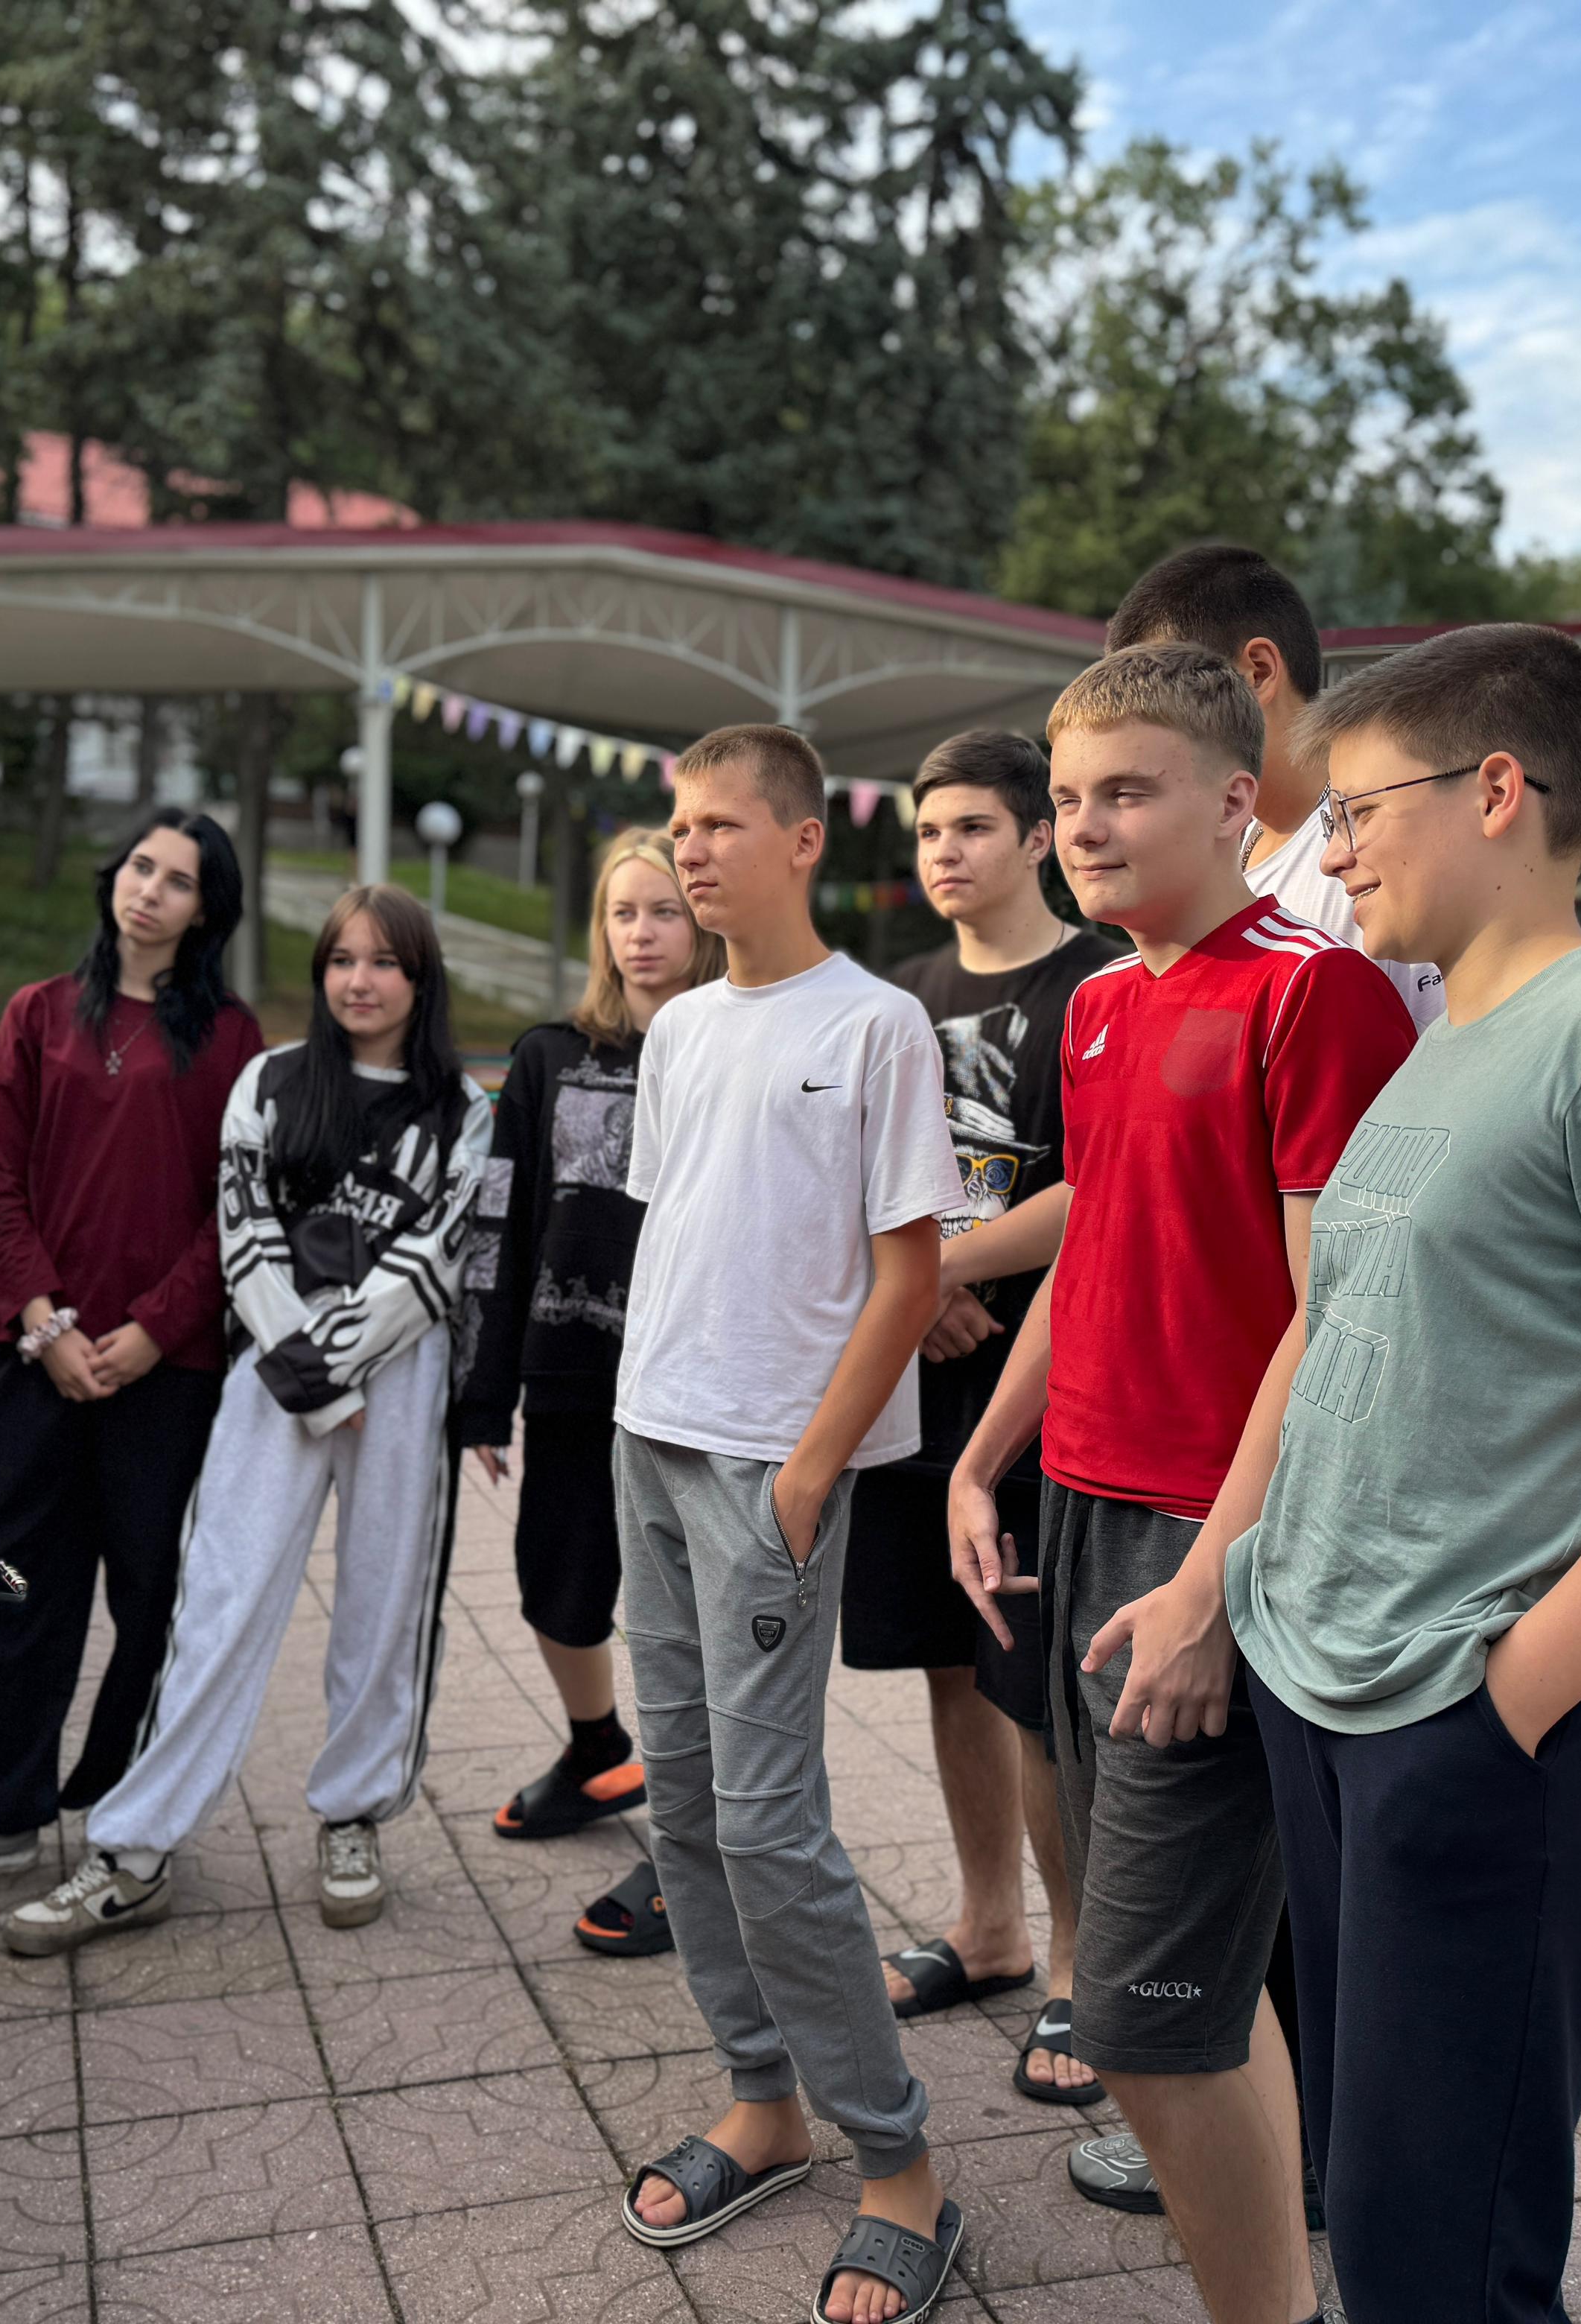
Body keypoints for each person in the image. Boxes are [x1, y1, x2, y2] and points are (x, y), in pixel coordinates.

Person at [1224, 622, 1581, 2323]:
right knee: (1376, 2208)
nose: (1331, 850)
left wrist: (1512, 1695)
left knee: (1443, 2255)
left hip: (1472, 1720)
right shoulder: (1446, 1034)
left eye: (1355, 810)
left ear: (1494, 791)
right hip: (1336, 1689)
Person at [947, 645, 1416, 2324]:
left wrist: (1217, 1578)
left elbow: (1330, 1316)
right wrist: (985, 1458)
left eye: (1126, 792)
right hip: (1078, 1510)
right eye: (1069, 797)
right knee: (1184, 1999)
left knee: (1142, 2015)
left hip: (1204, 1538)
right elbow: (1094, 1249)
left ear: (1233, 800)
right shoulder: (1096, 1003)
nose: (1084, 826)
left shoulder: (1316, 992)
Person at [612, 726, 965, 2324]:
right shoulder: (681, 1027)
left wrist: (816, 1465)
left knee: (768, 1825)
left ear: (806, 840)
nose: (690, 852)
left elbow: (910, 1270)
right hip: (650, 1445)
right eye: (679, 827)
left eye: (721, 825)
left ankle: (900, 2164)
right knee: (683, 1806)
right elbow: (681, 1233)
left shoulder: (877, 1024)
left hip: (773, 1473)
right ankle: (762, 2100)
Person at [0, 883, 492, 1952]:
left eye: (385, 962)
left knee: (385, 1604)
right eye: (341, 960)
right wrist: (313, 1375)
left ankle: (352, 1815)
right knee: (219, 1601)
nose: (360, 981)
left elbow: (434, 1262)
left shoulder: (463, 1109)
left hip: (399, 1379)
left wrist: (343, 1367)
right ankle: (135, 1848)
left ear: (421, 980)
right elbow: (244, 1232)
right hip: (275, 1369)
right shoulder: (270, 1082)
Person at [0, 807, 262, 1892]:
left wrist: (154, 1331)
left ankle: (133, 1814)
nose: (150, 890)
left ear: (206, 911)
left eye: (179, 880)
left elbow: (234, 1213)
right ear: (113, 876)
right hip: (31, 1359)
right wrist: (46, 1325)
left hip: (165, 1374)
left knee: (150, 1598)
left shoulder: (233, 1042)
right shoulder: (37, 1014)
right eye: (141, 866)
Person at [843, 731, 1117, 2107]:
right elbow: (856, 1172)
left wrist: (946, 1269)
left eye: (972, 828)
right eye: (928, 831)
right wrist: (914, 1283)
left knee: (1029, 1678)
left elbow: (1103, 1183)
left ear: (1035, 839)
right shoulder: (901, 996)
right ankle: (987, 1924)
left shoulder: (1098, 984)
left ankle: (1076, 1964)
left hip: (1047, 1381)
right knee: (947, 1663)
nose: (944, 854)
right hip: (918, 1378)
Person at [450, 828, 722, 1957]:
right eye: (623, 913)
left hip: (697, 1386)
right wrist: (482, 1389)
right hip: (570, 1371)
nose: (642, 933)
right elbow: (497, 1224)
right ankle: (597, 1748)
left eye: (664, 911)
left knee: (685, 1624)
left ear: (701, 921)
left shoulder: (728, 1041)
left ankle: (691, 1850)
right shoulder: (548, 1055)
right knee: (556, 1592)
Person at [1108, 539, 1445, 1027]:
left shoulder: (1391, 845)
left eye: (1164, 697)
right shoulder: (1217, 857)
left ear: (1258, 673)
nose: (1140, 733)